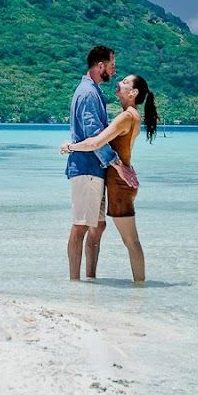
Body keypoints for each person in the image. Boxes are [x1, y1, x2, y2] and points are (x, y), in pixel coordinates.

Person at [62, 73, 157, 284]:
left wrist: (69, 147)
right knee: (122, 237)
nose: (119, 82)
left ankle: (140, 289)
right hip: (117, 183)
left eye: (125, 82)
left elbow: (95, 143)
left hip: (120, 185)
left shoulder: (127, 117)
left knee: (131, 241)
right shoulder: (131, 115)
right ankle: (101, 283)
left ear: (133, 92)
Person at [64, 46, 134, 281]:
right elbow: (94, 136)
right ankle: (75, 282)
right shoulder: (88, 93)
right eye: (112, 66)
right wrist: (118, 164)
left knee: (98, 225)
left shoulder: (93, 91)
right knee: (81, 225)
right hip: (86, 167)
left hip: (95, 168)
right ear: (100, 65)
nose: (114, 71)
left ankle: (90, 280)